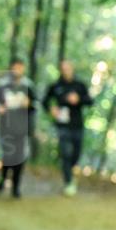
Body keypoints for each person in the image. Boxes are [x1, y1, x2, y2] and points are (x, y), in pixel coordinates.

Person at [43, 60, 93, 196]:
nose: (66, 70)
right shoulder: (56, 86)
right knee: (65, 153)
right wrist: (51, 109)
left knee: (76, 153)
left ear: (72, 68)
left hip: (77, 125)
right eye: (63, 68)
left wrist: (78, 99)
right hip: (62, 125)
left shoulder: (79, 85)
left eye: (68, 68)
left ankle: (70, 172)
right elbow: (45, 101)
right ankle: (68, 182)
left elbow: (89, 100)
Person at [0, 58, 35, 199]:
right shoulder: (3, 85)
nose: (17, 70)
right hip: (6, 127)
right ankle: (2, 181)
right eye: (15, 67)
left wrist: (29, 104)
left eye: (20, 67)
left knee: (20, 157)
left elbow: (36, 105)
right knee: (7, 155)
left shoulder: (28, 86)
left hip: (22, 128)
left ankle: (16, 186)